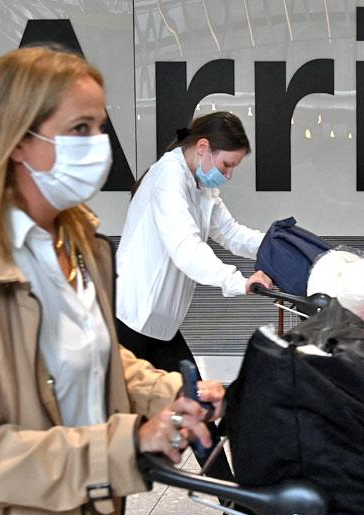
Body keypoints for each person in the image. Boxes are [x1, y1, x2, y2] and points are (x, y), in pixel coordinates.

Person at [0, 46, 225, 515]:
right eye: (79, 130)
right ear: (15, 140)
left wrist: (168, 393)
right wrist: (122, 447)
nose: (99, 146)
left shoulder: (75, 241)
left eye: (99, 128)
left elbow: (86, 351)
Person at [114, 111, 271, 375]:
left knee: (193, 406)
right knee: (189, 404)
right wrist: (238, 281)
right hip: (131, 318)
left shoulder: (201, 185)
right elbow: (185, 248)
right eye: (227, 165)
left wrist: (277, 244)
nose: (229, 175)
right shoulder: (168, 176)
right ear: (203, 148)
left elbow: (231, 233)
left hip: (158, 324)